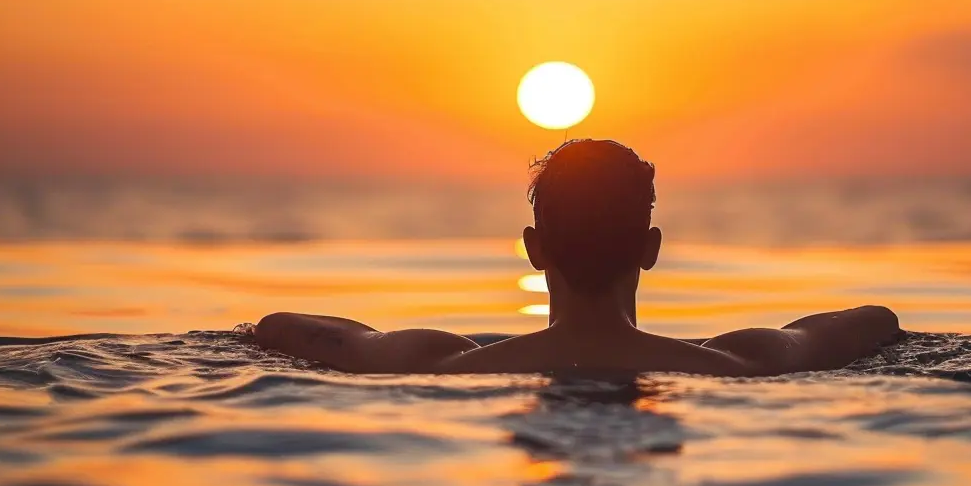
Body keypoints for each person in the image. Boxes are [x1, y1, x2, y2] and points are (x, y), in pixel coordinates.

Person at [255, 139, 901, 375]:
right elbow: (873, 321)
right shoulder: (742, 364)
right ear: (650, 250)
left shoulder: (444, 365)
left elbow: (285, 328)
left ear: (535, 251)